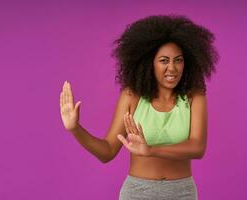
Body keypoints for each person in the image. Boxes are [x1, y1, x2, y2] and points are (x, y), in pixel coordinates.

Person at [59, 14, 219, 200]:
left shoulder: (194, 96)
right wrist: (75, 129)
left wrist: (150, 150)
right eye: (164, 60)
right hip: (138, 193)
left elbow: (197, 148)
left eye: (178, 60)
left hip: (182, 192)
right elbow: (108, 151)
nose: (173, 68)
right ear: (149, 63)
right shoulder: (132, 96)